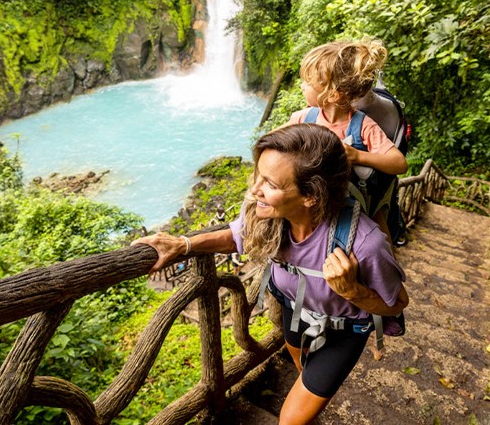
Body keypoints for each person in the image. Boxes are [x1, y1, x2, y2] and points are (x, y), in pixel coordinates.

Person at [134, 124, 408, 425]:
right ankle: (309, 388)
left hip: (344, 330)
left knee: (290, 420)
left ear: (310, 196)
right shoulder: (269, 216)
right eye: (258, 175)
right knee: (301, 362)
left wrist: (353, 291)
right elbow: (236, 235)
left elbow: (396, 304)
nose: (254, 190)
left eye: (271, 184)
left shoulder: (365, 244)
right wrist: (183, 244)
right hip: (294, 309)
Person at [287, 39, 407, 239]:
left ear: (332, 95)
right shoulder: (303, 118)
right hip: (312, 203)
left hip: (351, 205)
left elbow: (399, 163)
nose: (302, 86)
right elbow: (273, 142)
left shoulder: (362, 127)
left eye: (308, 83)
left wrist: (357, 156)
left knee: (379, 240)